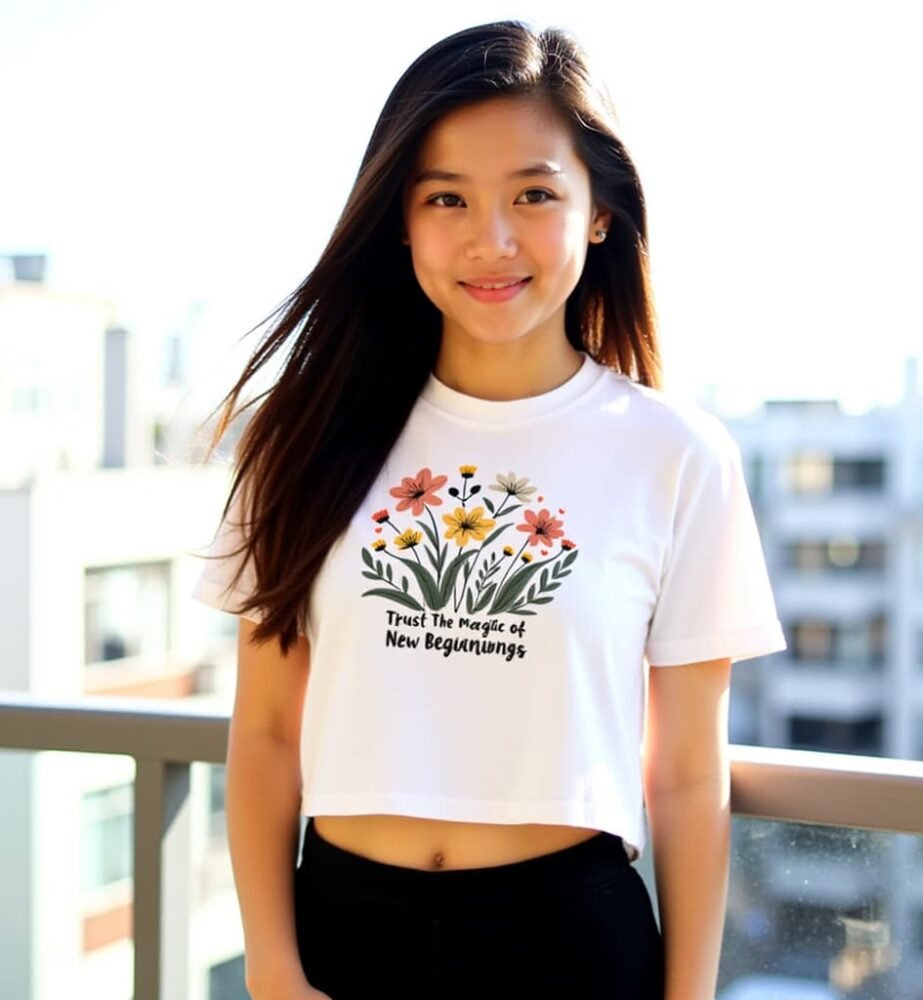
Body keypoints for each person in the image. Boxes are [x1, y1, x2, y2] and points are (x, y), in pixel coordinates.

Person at [192, 19, 787, 1000]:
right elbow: (261, 730)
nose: (490, 239)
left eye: (534, 194)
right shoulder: (301, 435)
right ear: (401, 217)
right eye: (446, 198)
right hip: (341, 934)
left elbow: (684, 772)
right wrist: (272, 966)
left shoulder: (677, 456)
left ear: (600, 213)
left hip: (570, 942)